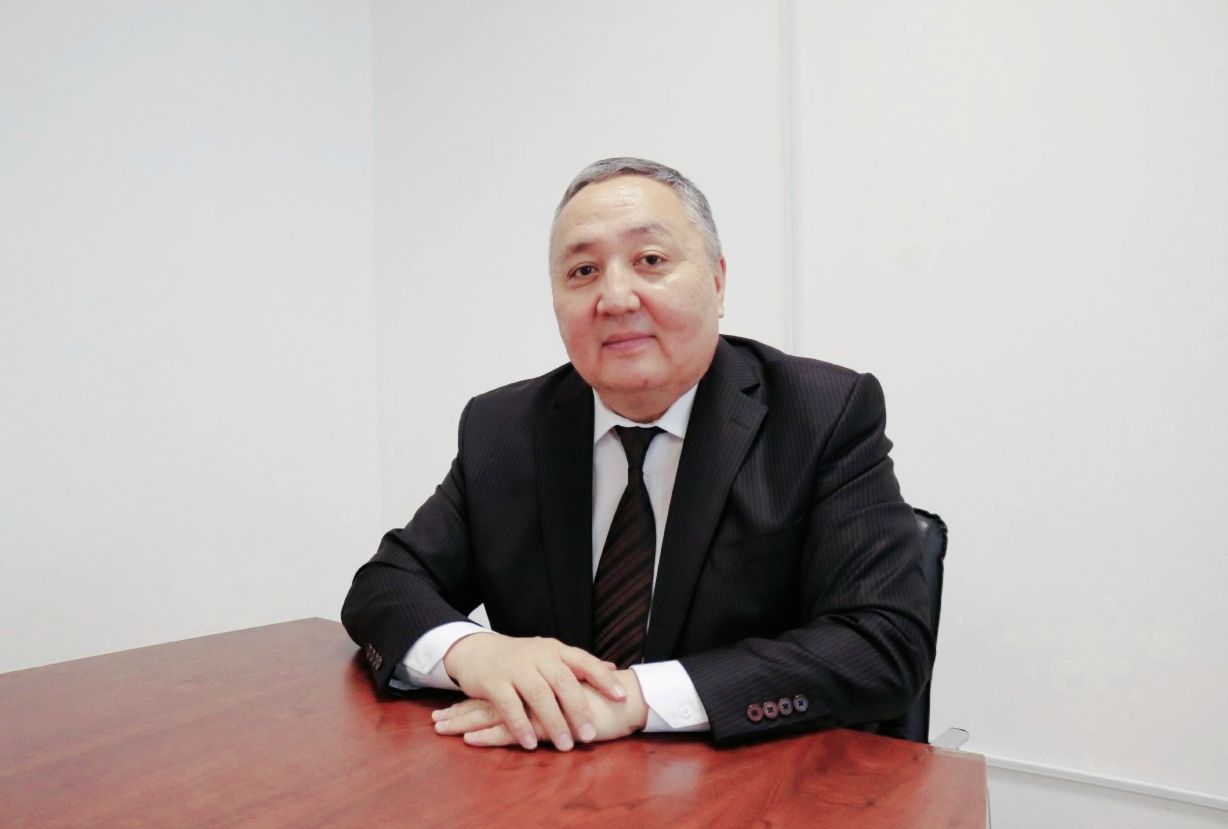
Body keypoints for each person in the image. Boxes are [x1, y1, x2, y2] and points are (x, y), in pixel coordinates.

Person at [342, 157, 932, 751]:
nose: (615, 298)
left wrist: (633, 699)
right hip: (548, 777)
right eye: (583, 271)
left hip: (753, 779)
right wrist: (475, 652)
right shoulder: (504, 428)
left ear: (718, 282)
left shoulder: (821, 413)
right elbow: (385, 586)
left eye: (650, 260)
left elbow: (882, 642)